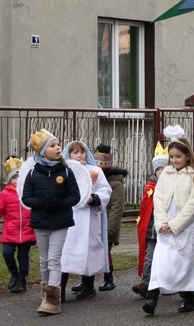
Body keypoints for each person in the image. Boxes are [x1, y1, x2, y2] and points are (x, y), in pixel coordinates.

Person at [19, 129, 84, 315]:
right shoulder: (33, 174)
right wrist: (41, 203)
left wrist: (59, 204)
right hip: (40, 221)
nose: (58, 148)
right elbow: (26, 198)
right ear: (42, 151)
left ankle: (53, 301)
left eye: (58, 145)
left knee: (54, 259)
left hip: (60, 221)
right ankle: (45, 295)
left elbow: (75, 196)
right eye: (53, 146)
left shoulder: (66, 171)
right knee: (44, 260)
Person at [143, 133, 194, 315]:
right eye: (171, 157)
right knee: (161, 259)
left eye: (178, 156)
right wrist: (162, 221)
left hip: (185, 225)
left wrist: (176, 224)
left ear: (187, 156)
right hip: (166, 222)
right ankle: (152, 297)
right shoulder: (166, 175)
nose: (174, 160)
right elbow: (159, 198)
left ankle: (188, 297)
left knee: (182, 261)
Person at [60, 141, 112, 301]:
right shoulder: (64, 172)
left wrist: (94, 198)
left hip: (88, 218)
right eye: (75, 152)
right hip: (69, 216)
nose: (79, 155)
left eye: (82, 152)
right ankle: (59, 288)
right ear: (69, 155)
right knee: (64, 252)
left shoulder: (95, 171)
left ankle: (88, 286)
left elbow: (105, 189)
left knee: (88, 250)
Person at [0, 156, 36, 293]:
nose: (17, 181)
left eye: (19, 177)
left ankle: (22, 280)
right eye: (14, 178)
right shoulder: (5, 194)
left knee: (23, 257)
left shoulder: (30, 192)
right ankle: (14, 274)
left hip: (27, 231)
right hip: (10, 232)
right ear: (9, 180)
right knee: (7, 254)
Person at [132, 141, 168, 298]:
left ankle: (168, 284)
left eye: (165, 168)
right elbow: (145, 209)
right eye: (159, 169)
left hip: (167, 228)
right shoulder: (150, 187)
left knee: (168, 258)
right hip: (152, 230)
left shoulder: (173, 185)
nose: (162, 172)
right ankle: (146, 283)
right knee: (150, 256)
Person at [93, 144, 127, 291]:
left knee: (105, 252)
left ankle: (108, 278)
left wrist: (111, 227)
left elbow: (117, 207)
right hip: (94, 222)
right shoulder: (94, 180)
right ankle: (87, 281)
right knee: (91, 251)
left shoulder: (115, 184)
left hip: (107, 224)